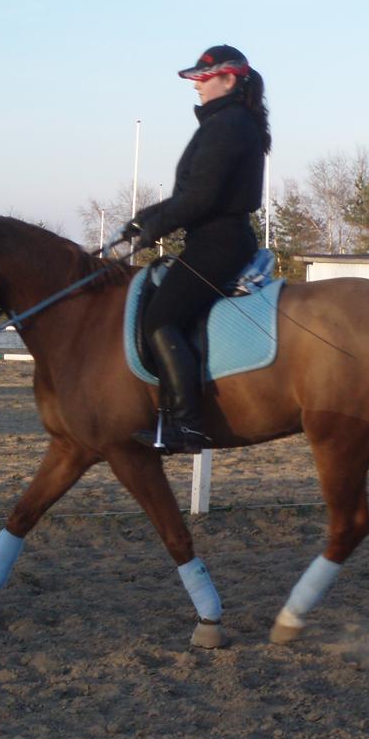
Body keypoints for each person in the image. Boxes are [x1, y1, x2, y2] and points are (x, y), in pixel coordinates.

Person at [111, 44, 270, 455]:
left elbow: (199, 197)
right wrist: (142, 220)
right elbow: (192, 195)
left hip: (220, 243)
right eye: (196, 79)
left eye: (204, 78)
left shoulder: (229, 124)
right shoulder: (226, 121)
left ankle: (188, 425)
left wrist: (153, 227)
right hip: (214, 239)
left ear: (229, 79)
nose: (197, 87)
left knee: (161, 319)